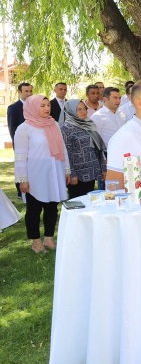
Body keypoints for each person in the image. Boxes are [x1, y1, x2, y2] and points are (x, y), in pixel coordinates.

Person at [14, 95, 70, 253]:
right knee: (34, 210)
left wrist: (66, 169)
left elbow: (63, 149)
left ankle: (49, 239)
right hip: (35, 176)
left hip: (54, 173)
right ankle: (36, 242)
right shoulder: (24, 128)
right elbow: (20, 156)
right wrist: (22, 179)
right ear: (32, 107)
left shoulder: (53, 124)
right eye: (42, 105)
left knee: (52, 208)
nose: (47, 108)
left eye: (48, 105)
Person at [60, 100, 106, 199]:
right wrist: (72, 174)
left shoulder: (89, 124)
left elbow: (98, 147)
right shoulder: (65, 129)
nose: (83, 112)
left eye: (84, 108)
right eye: (79, 109)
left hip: (91, 171)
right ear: (71, 111)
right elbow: (66, 153)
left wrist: (103, 168)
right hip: (77, 176)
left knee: (90, 201)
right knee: (77, 202)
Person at [8, 82, 33, 147]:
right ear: (19, 92)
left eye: (30, 91)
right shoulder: (13, 108)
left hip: (35, 143)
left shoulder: (35, 106)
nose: (29, 93)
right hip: (21, 144)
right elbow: (12, 129)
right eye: (26, 91)